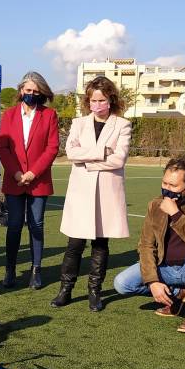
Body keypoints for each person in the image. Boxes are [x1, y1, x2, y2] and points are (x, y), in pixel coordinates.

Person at [113, 158, 185, 333]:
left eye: (173, 185)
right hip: (165, 268)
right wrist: (152, 281)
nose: (167, 189)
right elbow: (145, 245)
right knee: (122, 283)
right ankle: (177, 293)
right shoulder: (155, 204)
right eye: (164, 183)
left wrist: (175, 214)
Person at [51, 76, 131, 311]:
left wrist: (89, 160)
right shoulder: (78, 123)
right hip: (80, 193)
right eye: (93, 100)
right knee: (74, 244)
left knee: (100, 244)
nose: (97, 104)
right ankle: (65, 289)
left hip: (107, 192)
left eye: (102, 100)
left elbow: (119, 158)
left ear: (111, 100)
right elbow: (71, 152)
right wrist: (101, 152)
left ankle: (94, 292)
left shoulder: (122, 124)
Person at [0, 71, 60, 290]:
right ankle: (10, 270)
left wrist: (33, 172)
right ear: (21, 90)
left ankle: (36, 270)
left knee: (37, 226)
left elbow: (52, 148)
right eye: (28, 90)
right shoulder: (9, 115)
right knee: (14, 226)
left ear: (41, 93)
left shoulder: (49, 115)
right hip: (13, 180)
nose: (31, 94)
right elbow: (3, 147)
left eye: (35, 91)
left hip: (38, 180)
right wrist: (15, 173)